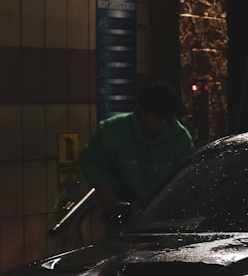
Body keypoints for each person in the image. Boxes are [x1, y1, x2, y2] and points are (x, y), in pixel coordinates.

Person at [79, 80, 196, 212]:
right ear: (143, 113)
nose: (164, 123)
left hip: (165, 212)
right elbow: (89, 160)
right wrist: (102, 187)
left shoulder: (180, 138)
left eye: (168, 118)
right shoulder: (114, 131)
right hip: (123, 212)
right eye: (159, 117)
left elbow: (187, 179)